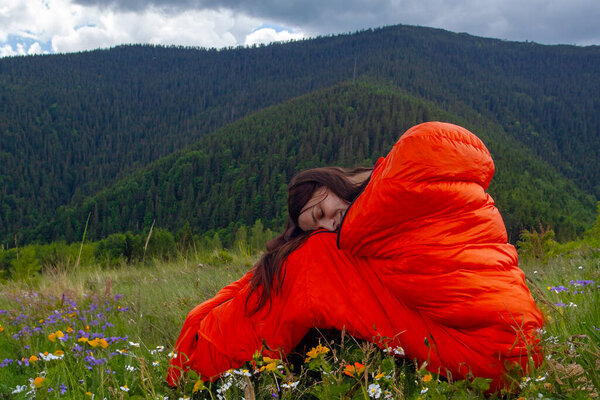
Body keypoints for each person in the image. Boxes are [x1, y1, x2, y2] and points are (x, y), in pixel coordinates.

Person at [167, 121, 543, 391]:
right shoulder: (373, 219)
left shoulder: (391, 199)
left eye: (321, 212)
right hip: (519, 344)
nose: (331, 225)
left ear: (332, 183)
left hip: (491, 354)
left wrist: (192, 364)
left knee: (305, 264)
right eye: (318, 226)